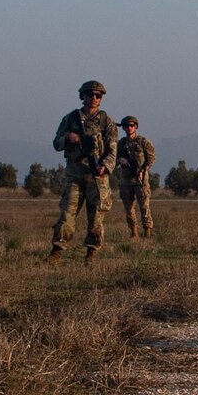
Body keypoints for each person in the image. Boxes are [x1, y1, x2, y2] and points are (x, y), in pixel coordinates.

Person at [50, 80, 118, 265]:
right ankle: (56, 252)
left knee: (96, 217)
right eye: (90, 94)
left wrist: (105, 166)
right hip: (74, 173)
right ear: (83, 96)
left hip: (97, 176)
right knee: (66, 214)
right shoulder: (71, 119)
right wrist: (67, 138)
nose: (94, 98)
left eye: (98, 95)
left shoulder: (106, 121)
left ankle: (91, 254)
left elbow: (112, 149)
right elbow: (56, 143)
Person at [115, 116, 156, 239]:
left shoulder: (143, 142)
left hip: (140, 180)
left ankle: (147, 231)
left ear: (136, 126)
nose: (129, 128)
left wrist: (144, 170)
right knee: (129, 208)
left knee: (144, 206)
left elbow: (151, 158)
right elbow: (113, 159)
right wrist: (120, 160)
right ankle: (134, 232)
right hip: (126, 180)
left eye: (131, 125)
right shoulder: (121, 144)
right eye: (126, 126)